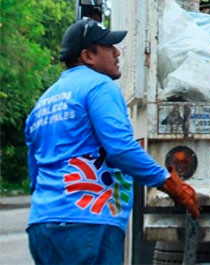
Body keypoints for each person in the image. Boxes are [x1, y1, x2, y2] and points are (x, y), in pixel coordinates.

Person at [25, 19, 200, 265]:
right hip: (88, 223)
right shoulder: (99, 86)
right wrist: (168, 182)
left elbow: (35, 176)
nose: (117, 53)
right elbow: (120, 148)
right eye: (108, 47)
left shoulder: (43, 103)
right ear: (87, 56)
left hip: (42, 226)